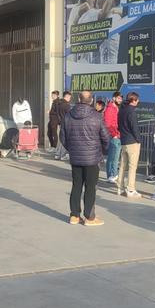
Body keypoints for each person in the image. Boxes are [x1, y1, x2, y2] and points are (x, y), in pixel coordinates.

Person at [60, 90, 110, 226]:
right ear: (92, 100)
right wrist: (102, 151)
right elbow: (106, 137)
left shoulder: (68, 115)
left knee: (76, 185)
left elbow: (63, 137)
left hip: (76, 157)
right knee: (90, 187)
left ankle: (74, 216)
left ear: (78, 99)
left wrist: (72, 149)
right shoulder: (97, 116)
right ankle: (89, 217)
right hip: (92, 158)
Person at [116, 91, 141, 199]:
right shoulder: (132, 111)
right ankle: (130, 189)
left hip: (124, 140)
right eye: (137, 100)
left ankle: (120, 187)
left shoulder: (121, 110)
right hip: (132, 142)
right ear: (134, 100)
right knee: (132, 166)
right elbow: (134, 127)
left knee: (122, 165)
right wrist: (138, 139)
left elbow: (119, 126)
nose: (138, 102)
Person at [103, 91, 122, 184]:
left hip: (116, 134)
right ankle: (112, 175)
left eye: (121, 98)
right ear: (114, 98)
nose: (120, 100)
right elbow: (108, 123)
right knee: (113, 156)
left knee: (113, 156)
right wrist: (114, 134)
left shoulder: (115, 108)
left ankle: (112, 174)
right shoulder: (110, 108)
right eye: (118, 98)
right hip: (114, 135)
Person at [53, 91, 72, 160]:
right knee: (64, 140)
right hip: (66, 124)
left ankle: (57, 154)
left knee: (60, 139)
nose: (70, 99)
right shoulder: (67, 105)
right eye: (69, 97)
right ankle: (63, 155)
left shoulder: (58, 103)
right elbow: (70, 116)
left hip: (60, 123)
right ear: (66, 96)